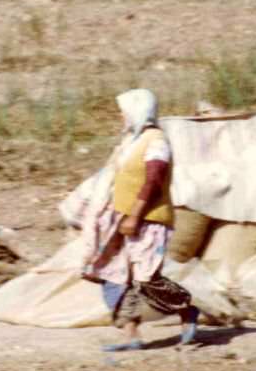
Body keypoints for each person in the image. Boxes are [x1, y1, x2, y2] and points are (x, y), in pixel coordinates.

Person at [80, 88, 199, 352]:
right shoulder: (130, 142)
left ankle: (186, 310)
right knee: (112, 273)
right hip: (118, 217)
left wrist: (135, 215)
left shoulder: (156, 141)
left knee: (146, 278)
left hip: (148, 219)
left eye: (124, 112)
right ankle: (130, 334)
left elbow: (154, 179)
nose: (121, 117)